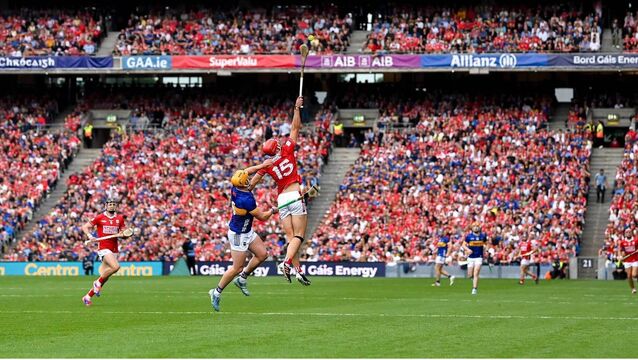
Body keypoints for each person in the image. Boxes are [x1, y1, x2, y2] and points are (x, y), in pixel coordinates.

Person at [250, 96, 311, 286]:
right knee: (299, 236)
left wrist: (245, 188)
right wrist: (296, 108)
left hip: (281, 199)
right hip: (294, 194)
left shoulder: (267, 164)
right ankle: (286, 262)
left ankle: (298, 270)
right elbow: (295, 128)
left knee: (291, 239)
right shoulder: (285, 149)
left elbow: (254, 181)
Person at [209, 159, 278, 312]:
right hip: (239, 234)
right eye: (247, 179)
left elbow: (249, 171)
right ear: (244, 183)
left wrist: (261, 167)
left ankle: (242, 279)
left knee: (262, 255)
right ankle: (216, 291)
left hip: (246, 230)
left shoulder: (236, 185)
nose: (249, 178)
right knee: (236, 267)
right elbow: (262, 217)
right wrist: (273, 211)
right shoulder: (245, 199)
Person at [81, 198, 126, 306]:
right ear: (106, 206)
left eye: (113, 204)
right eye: (110, 204)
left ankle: (87, 296)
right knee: (116, 267)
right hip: (104, 248)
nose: (112, 205)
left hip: (114, 249)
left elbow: (124, 233)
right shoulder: (100, 217)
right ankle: (96, 283)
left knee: (105, 278)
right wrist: (90, 236)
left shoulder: (119, 219)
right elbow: (85, 227)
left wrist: (123, 234)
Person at [461, 224, 487, 295]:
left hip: (479, 257)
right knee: (469, 275)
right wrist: (467, 249)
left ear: (479, 228)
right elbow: (463, 245)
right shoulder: (469, 236)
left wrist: (486, 250)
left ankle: (474, 288)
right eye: (474, 227)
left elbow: (486, 244)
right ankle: (474, 280)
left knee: (476, 272)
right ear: (472, 228)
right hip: (471, 257)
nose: (475, 228)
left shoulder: (483, 236)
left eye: (477, 226)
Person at [618, 228, 638, 294]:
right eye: (627, 232)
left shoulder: (636, 240)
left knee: (634, 275)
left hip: (635, 259)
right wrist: (620, 256)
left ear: (631, 233)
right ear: (625, 233)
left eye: (629, 232)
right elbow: (620, 250)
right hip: (627, 260)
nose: (628, 233)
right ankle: (633, 288)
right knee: (629, 276)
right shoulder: (623, 242)